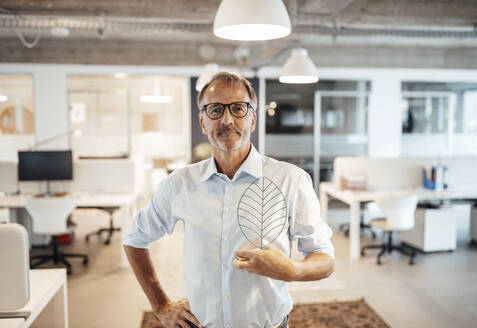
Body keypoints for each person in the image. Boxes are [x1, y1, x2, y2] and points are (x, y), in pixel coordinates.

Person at [123, 72, 335, 328]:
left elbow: (324, 258)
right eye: (214, 110)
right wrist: (161, 306)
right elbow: (134, 238)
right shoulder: (179, 184)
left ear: (253, 120)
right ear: (203, 122)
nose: (227, 119)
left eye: (238, 108)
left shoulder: (291, 180)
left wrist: (292, 270)